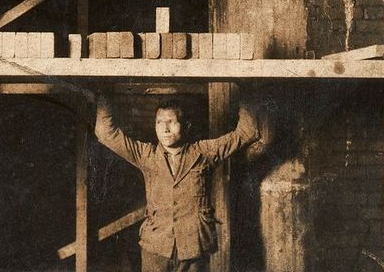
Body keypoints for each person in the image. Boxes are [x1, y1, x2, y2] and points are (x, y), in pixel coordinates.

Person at [94, 94, 261, 272]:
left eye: (171, 122)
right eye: (159, 122)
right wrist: (104, 94)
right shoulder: (146, 155)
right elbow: (105, 133)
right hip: (156, 247)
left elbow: (247, 132)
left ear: (186, 125)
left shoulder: (203, 152)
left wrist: (246, 88)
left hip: (193, 247)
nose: (165, 129)